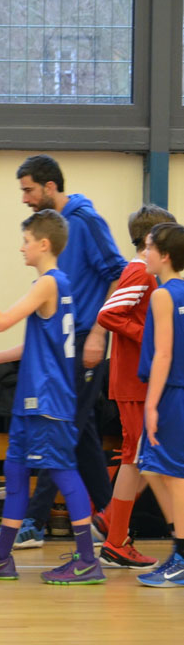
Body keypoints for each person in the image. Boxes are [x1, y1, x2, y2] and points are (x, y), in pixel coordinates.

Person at [0, 209, 106, 585]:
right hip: (31, 399)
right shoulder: (56, 284)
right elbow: (36, 344)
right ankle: (0, 557)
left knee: (64, 472)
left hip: (48, 399)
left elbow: (1, 320)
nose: (21, 248)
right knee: (16, 471)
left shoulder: (49, 283)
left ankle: (87, 559)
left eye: (26, 241)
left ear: (44, 244)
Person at [13, 154, 123, 548]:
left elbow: (119, 275)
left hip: (85, 341)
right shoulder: (55, 231)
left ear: (50, 186)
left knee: (61, 430)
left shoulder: (86, 221)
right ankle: (114, 521)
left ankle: (33, 522)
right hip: (62, 346)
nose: (24, 198)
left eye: (29, 190)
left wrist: (98, 333)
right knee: (82, 433)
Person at [95, 205, 175, 569]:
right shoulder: (141, 271)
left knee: (140, 458)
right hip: (134, 382)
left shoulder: (145, 273)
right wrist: (152, 337)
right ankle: (115, 537)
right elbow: (109, 314)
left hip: (139, 382)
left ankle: (114, 530)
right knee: (137, 459)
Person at [135, 222, 184, 587]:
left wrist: (151, 405)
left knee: (174, 477)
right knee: (151, 468)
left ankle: (181, 557)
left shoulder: (163, 295)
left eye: (149, 247)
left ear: (165, 255)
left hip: (171, 394)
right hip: (175, 393)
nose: (144, 253)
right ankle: (178, 543)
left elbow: (164, 354)